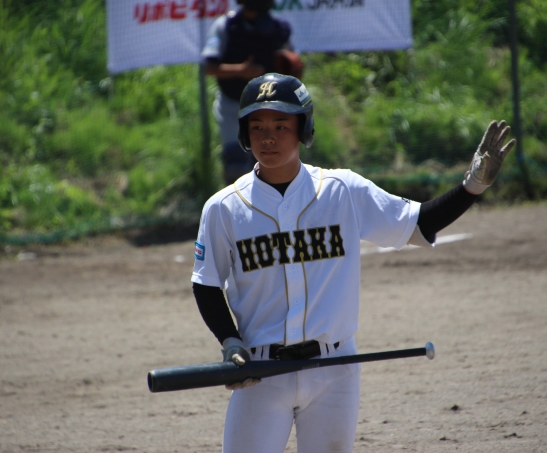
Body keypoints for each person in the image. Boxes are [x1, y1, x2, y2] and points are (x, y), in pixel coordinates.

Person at [191, 73, 515, 453]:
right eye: (257, 126)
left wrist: (472, 186)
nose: (268, 137)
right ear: (245, 134)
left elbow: (417, 223)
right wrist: (229, 340)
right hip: (261, 373)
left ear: (303, 129)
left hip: (334, 371)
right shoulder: (223, 208)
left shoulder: (341, 190)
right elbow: (206, 282)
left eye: (281, 125)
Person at [201, 0, 301, 186]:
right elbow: (208, 67)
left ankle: (270, 204)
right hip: (234, 106)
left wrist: (292, 67)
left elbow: (293, 62)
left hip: (269, 109)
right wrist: (241, 70)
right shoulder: (226, 26)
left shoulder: (278, 27)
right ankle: (238, 204)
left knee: (271, 167)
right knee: (236, 168)